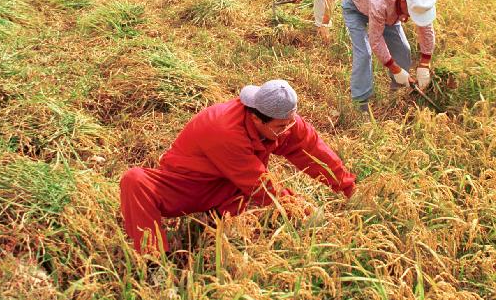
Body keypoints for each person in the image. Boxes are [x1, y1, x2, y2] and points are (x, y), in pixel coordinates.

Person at [120, 79, 356, 254]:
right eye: (282, 126)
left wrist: (348, 187)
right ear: (256, 118)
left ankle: (214, 222)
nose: (289, 129)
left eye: (291, 122)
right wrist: (300, 210)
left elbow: (314, 151)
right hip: (189, 186)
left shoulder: (282, 120)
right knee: (135, 181)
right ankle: (153, 261)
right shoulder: (223, 129)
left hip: (231, 189)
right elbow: (258, 185)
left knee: (250, 237)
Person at [341, 0, 437, 110]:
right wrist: (395, 68)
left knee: (403, 49)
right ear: (403, 2)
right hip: (356, 8)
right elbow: (375, 39)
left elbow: (426, 30)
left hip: (389, 11)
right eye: (410, 12)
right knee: (364, 54)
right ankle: (361, 103)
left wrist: (424, 63)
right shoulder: (381, 1)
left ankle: (397, 93)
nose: (410, 16)